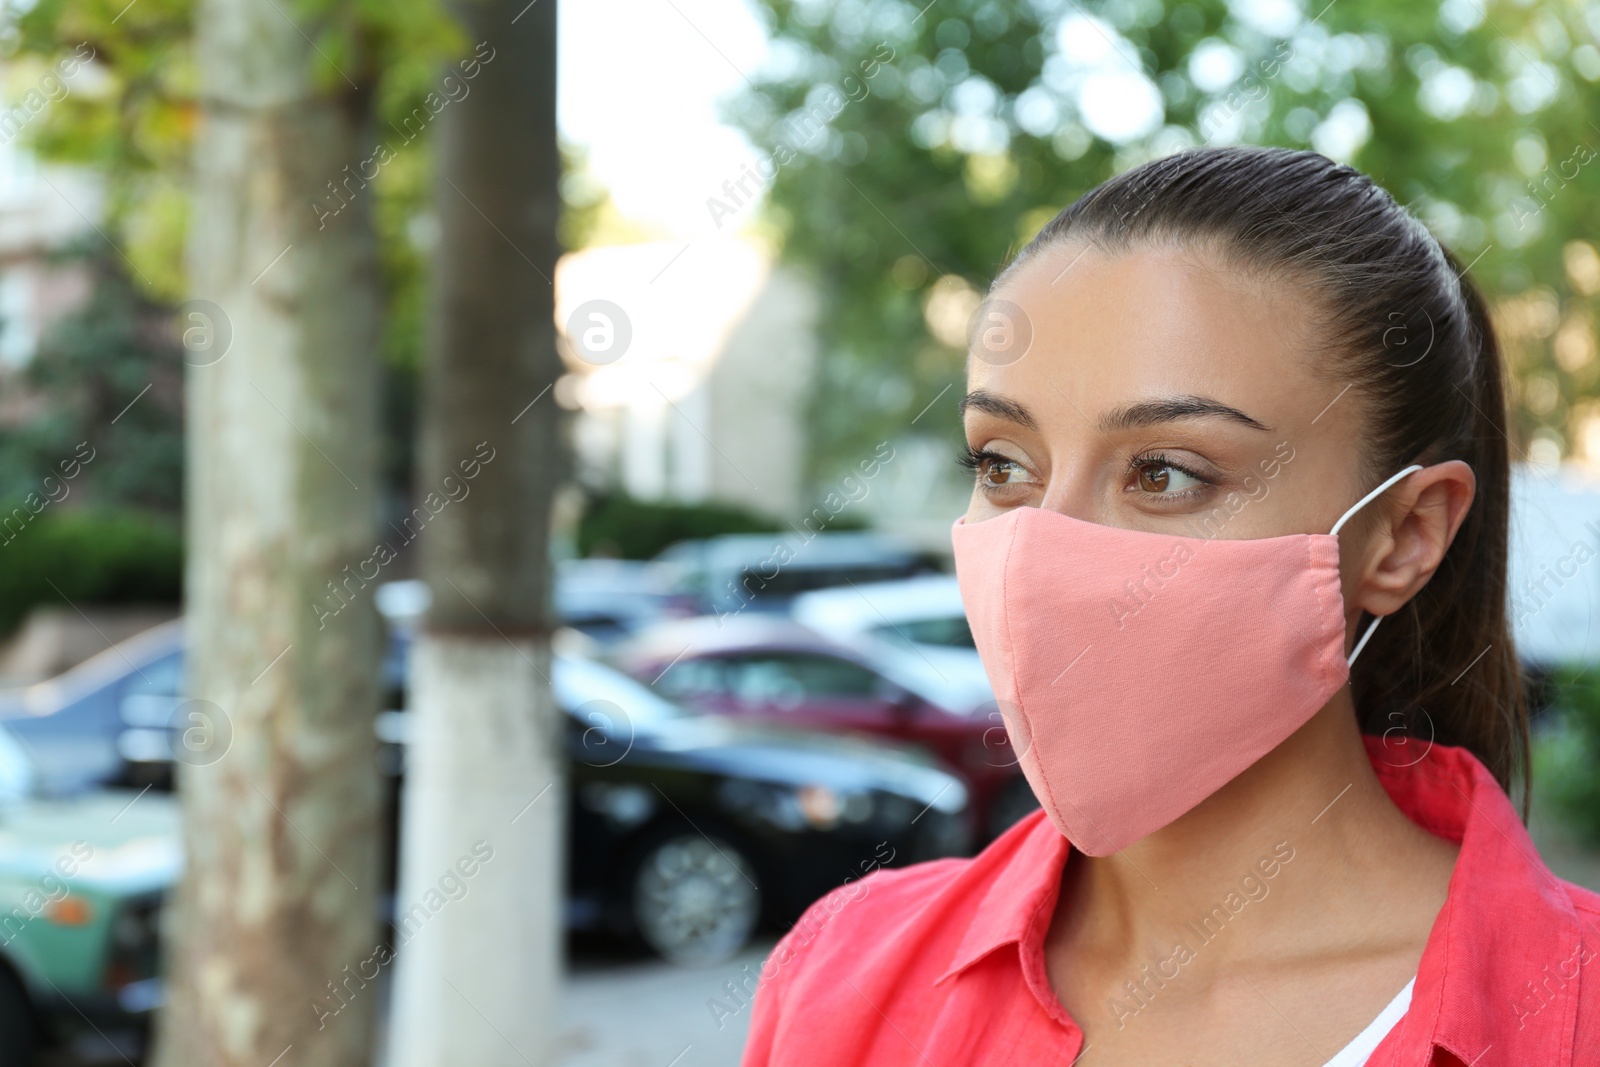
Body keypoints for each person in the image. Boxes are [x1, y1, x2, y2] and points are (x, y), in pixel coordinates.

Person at [740, 146, 1600, 1066]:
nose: (1043, 550)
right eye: (1002, 463)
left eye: (1164, 472)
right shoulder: (844, 972)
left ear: (1403, 536)